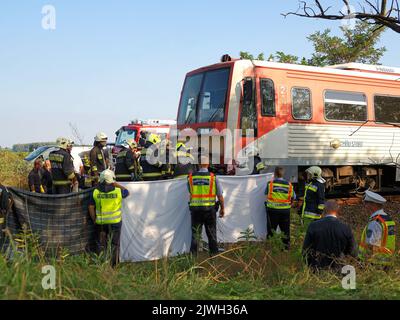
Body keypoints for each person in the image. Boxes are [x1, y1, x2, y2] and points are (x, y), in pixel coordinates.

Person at [88, 169, 130, 266]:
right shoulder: (118, 191)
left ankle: (101, 264)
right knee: (114, 244)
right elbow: (127, 192)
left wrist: (94, 219)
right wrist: (115, 184)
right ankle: (114, 265)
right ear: (112, 180)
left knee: (101, 244)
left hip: (101, 223)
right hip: (115, 223)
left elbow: (90, 207)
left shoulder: (95, 192)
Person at [302, 200, 357, 271]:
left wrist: (310, 266)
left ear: (324, 211)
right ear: (337, 211)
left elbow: (305, 250)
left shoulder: (313, 226)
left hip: (317, 269)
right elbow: (353, 252)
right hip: (338, 269)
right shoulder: (345, 228)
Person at [188, 155, 225, 256]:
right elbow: (220, 196)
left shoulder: (191, 177)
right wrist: (222, 209)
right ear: (208, 164)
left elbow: (190, 193)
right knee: (212, 235)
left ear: (199, 164)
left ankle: (192, 259)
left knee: (195, 236)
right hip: (209, 210)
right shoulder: (213, 177)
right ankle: (214, 257)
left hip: (195, 210)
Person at [359, 190, 396, 267]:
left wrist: (363, 264)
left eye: (366, 203)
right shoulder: (388, 220)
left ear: (373, 205)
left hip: (375, 264)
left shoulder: (375, 222)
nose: (364, 206)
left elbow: (371, 246)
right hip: (387, 263)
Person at [265, 166, 296, 249]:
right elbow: (293, 197)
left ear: (275, 173)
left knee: (271, 230)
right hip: (285, 211)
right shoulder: (289, 185)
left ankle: (269, 249)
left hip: (272, 211)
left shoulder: (270, 184)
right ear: (283, 174)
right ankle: (286, 248)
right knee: (285, 230)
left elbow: (266, 195)